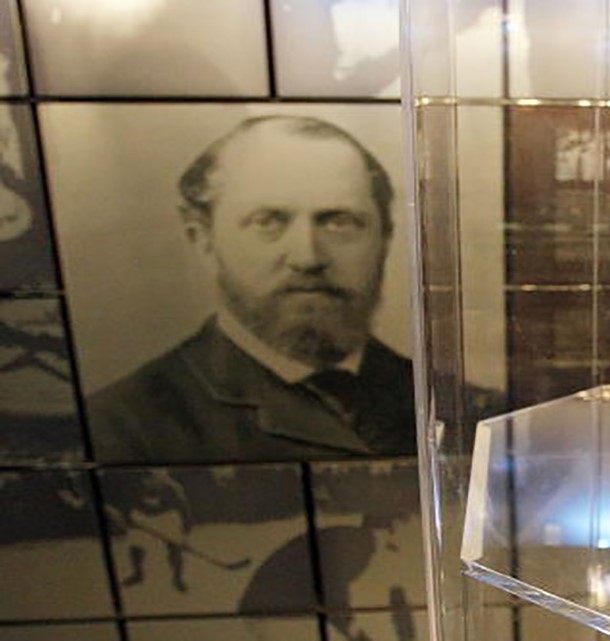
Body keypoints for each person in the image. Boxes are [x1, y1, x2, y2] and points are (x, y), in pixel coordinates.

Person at [87, 115, 416, 463]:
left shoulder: (456, 403)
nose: (308, 257)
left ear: (385, 237)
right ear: (203, 239)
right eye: (268, 222)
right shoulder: (122, 427)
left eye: (339, 222)